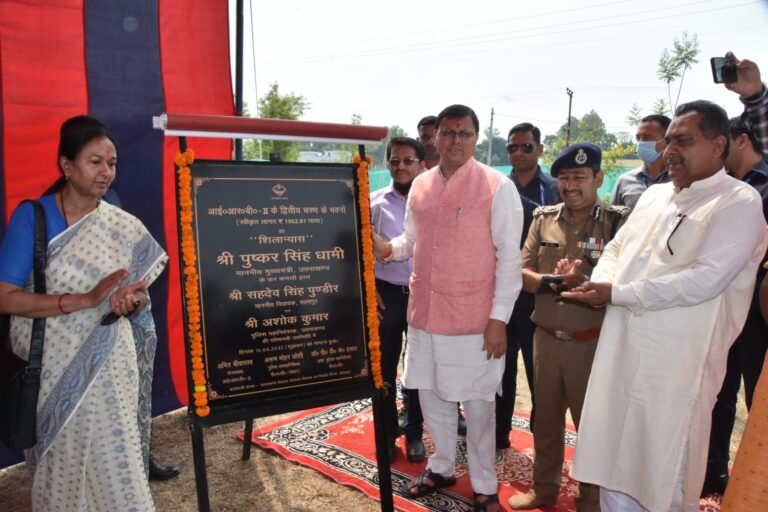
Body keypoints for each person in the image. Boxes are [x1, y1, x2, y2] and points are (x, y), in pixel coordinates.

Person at [561, 100, 768, 511]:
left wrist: (618, 294)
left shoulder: (738, 202)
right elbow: (618, 249)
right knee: (613, 464)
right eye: (668, 141)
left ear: (718, 145)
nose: (669, 150)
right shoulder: (655, 197)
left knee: (664, 475)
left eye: (683, 141)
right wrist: (598, 282)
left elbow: (705, 281)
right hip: (621, 352)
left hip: (676, 372)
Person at [0, 115, 168, 510]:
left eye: (112, 163)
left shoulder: (119, 222)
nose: (106, 172)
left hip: (113, 367)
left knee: (118, 465)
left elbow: (141, 297)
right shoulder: (34, 218)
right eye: (95, 162)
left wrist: (132, 301)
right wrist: (81, 300)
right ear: (66, 165)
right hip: (53, 370)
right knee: (64, 467)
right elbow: (5, 297)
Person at [373, 104, 522, 512]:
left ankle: (485, 485)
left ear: (477, 139)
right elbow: (409, 240)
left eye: (465, 133)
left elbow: (509, 258)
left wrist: (499, 319)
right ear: (435, 137)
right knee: (432, 396)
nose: (456, 140)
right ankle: (441, 467)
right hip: (424, 316)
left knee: (477, 405)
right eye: (449, 132)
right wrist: (385, 249)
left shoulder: (497, 186)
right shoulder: (421, 185)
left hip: (474, 320)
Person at [508, 143, 628, 511]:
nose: (570, 184)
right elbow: (521, 273)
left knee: (592, 426)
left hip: (592, 344)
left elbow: (625, 279)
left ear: (599, 178)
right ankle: (544, 489)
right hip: (545, 340)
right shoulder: (543, 218)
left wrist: (583, 279)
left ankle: (590, 499)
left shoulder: (618, 221)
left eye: (579, 176)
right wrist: (555, 281)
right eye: (563, 177)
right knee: (544, 422)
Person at [702, 118, 768, 497]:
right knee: (717, 393)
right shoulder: (719, 188)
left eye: (722, 147)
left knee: (756, 399)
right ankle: (715, 474)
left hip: (759, 315)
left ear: (741, 141)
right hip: (721, 306)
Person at [496, 122, 559, 449]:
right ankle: (497, 434)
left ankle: (543, 440)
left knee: (540, 374)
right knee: (500, 371)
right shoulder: (496, 187)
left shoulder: (554, 188)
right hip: (502, 296)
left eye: (526, 147)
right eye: (512, 148)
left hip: (539, 297)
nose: (518, 153)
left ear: (540, 149)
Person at [371, 136, 426, 462]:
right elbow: (358, 248)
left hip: (423, 296)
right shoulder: (374, 204)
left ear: (421, 164)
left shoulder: (433, 203)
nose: (401, 166)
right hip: (387, 296)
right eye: (395, 160)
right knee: (384, 369)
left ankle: (415, 433)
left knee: (418, 369)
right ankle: (387, 434)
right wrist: (369, 287)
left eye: (408, 160)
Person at [611, 114, 671, 209]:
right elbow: (614, 219)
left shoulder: (681, 180)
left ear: (667, 141)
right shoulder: (624, 181)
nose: (641, 142)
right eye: (638, 137)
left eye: (647, 137)